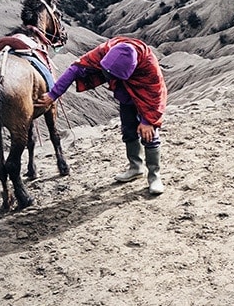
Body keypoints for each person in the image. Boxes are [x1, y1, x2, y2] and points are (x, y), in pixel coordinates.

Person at [36, 37, 168, 194]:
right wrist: (53, 94)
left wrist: (147, 121)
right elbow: (76, 69)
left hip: (146, 98)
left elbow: (157, 95)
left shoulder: (149, 66)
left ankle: (154, 176)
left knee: (149, 134)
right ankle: (136, 168)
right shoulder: (107, 50)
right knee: (128, 130)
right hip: (125, 96)